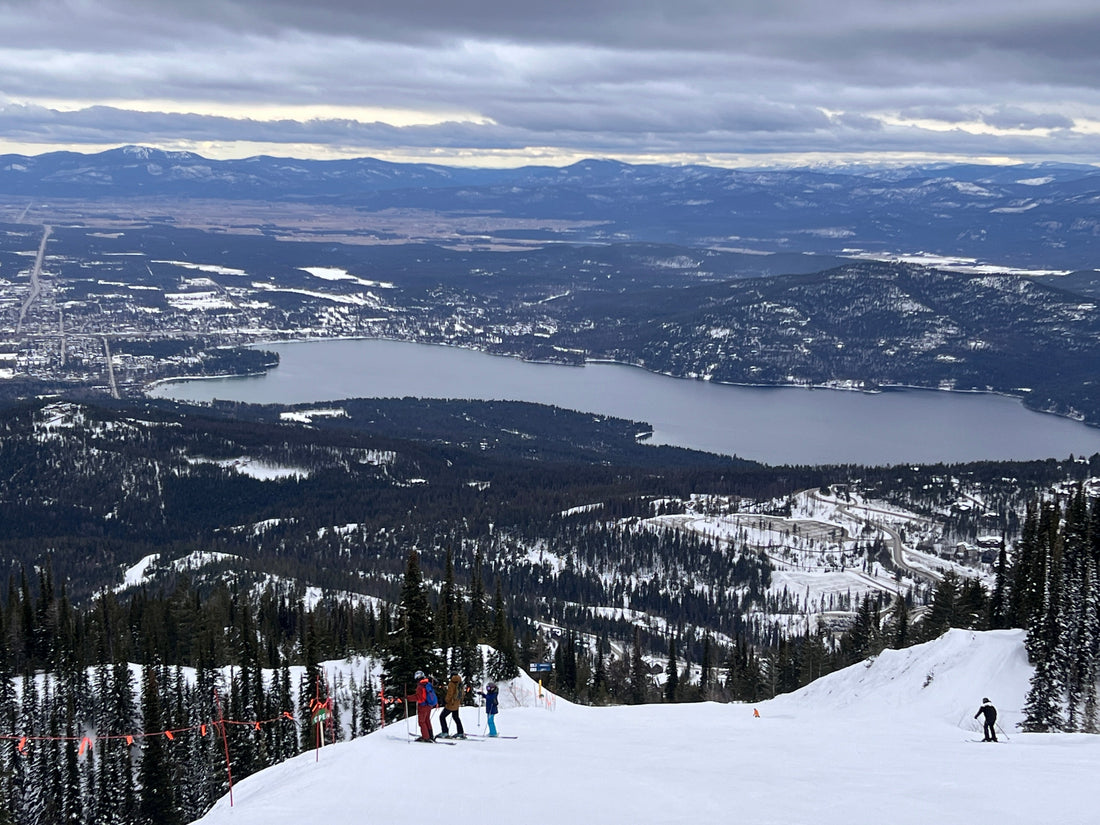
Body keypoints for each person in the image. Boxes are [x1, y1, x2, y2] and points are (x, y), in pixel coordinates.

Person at [409, 670, 438, 741]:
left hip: (423, 705)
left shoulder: (420, 686)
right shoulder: (428, 683)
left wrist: (407, 698)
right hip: (429, 705)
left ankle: (426, 737)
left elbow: (419, 697)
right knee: (427, 720)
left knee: (422, 722)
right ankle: (430, 735)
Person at [440, 673, 466, 738]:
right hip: (457, 703)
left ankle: (445, 732)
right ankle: (460, 732)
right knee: (456, 717)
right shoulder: (460, 683)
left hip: (451, 704)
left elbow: (450, 694)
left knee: (442, 717)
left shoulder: (451, 684)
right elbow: (463, 693)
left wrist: (445, 701)